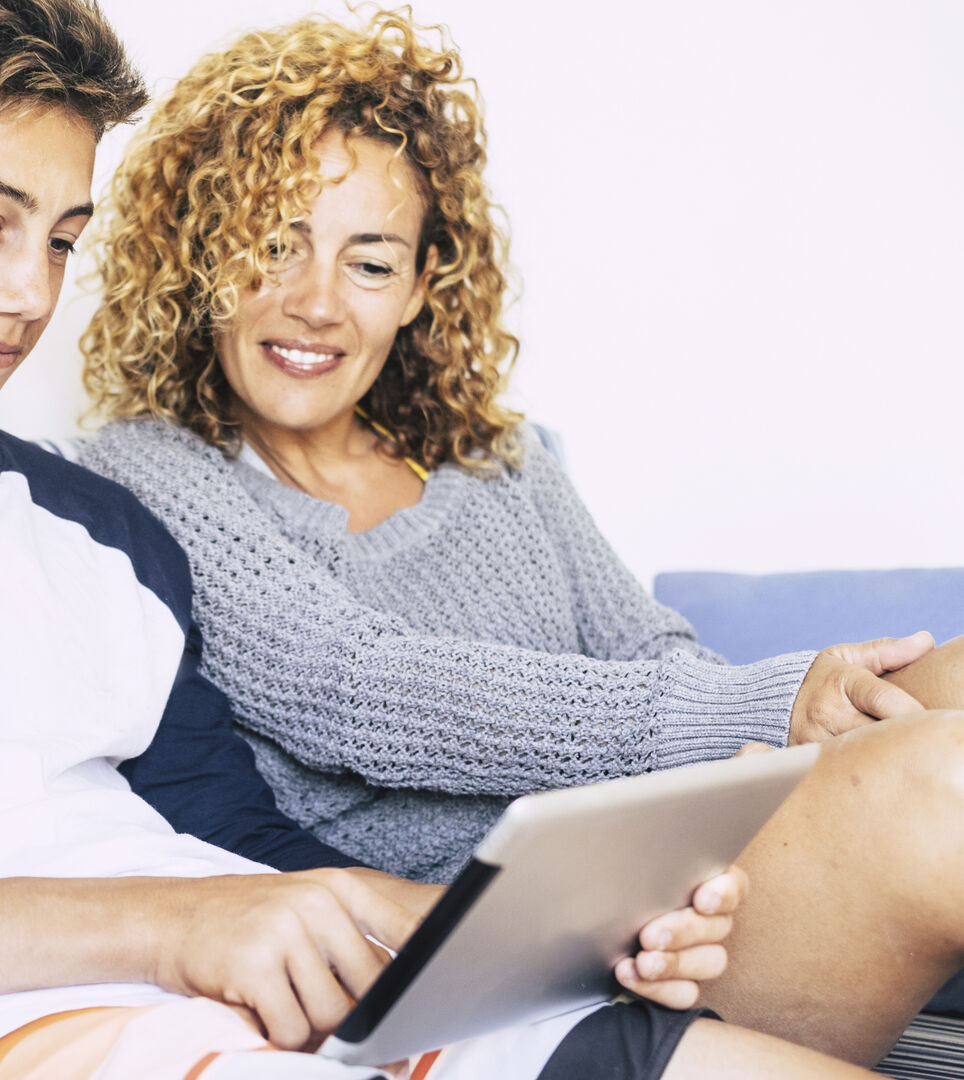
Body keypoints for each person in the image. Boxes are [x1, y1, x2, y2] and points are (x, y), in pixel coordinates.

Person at [0, 2, 883, 1079]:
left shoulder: (97, 526)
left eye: (62, 239)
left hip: (290, 1009)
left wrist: (566, 939)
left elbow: (251, 855)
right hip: (15, 1037)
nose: (27, 293)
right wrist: (171, 929)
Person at [76, 7, 964, 1068]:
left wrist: (751, 753)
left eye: (368, 263)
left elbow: (651, 654)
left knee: (948, 678)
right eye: (275, 245)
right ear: (200, 254)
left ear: (417, 287)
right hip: (509, 940)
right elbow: (353, 687)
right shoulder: (147, 467)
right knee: (941, 773)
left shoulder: (503, 456)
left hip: (660, 877)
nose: (315, 303)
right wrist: (769, 706)